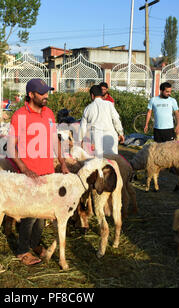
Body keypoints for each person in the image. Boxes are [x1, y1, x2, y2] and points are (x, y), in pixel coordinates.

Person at [8, 78, 69, 266]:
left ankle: (34, 244)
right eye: (42, 93)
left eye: (46, 92)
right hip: (29, 174)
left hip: (47, 172)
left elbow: (54, 139)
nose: (46, 96)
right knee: (30, 214)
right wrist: (25, 169)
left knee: (43, 214)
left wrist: (62, 162)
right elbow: (11, 147)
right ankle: (22, 251)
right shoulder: (19, 116)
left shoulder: (49, 113)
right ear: (31, 95)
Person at [79, 85, 125, 156]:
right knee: (111, 162)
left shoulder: (87, 108)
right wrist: (120, 133)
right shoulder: (109, 105)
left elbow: (82, 127)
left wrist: (81, 140)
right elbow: (116, 120)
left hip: (95, 139)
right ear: (101, 94)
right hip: (110, 137)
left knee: (98, 162)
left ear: (92, 95)